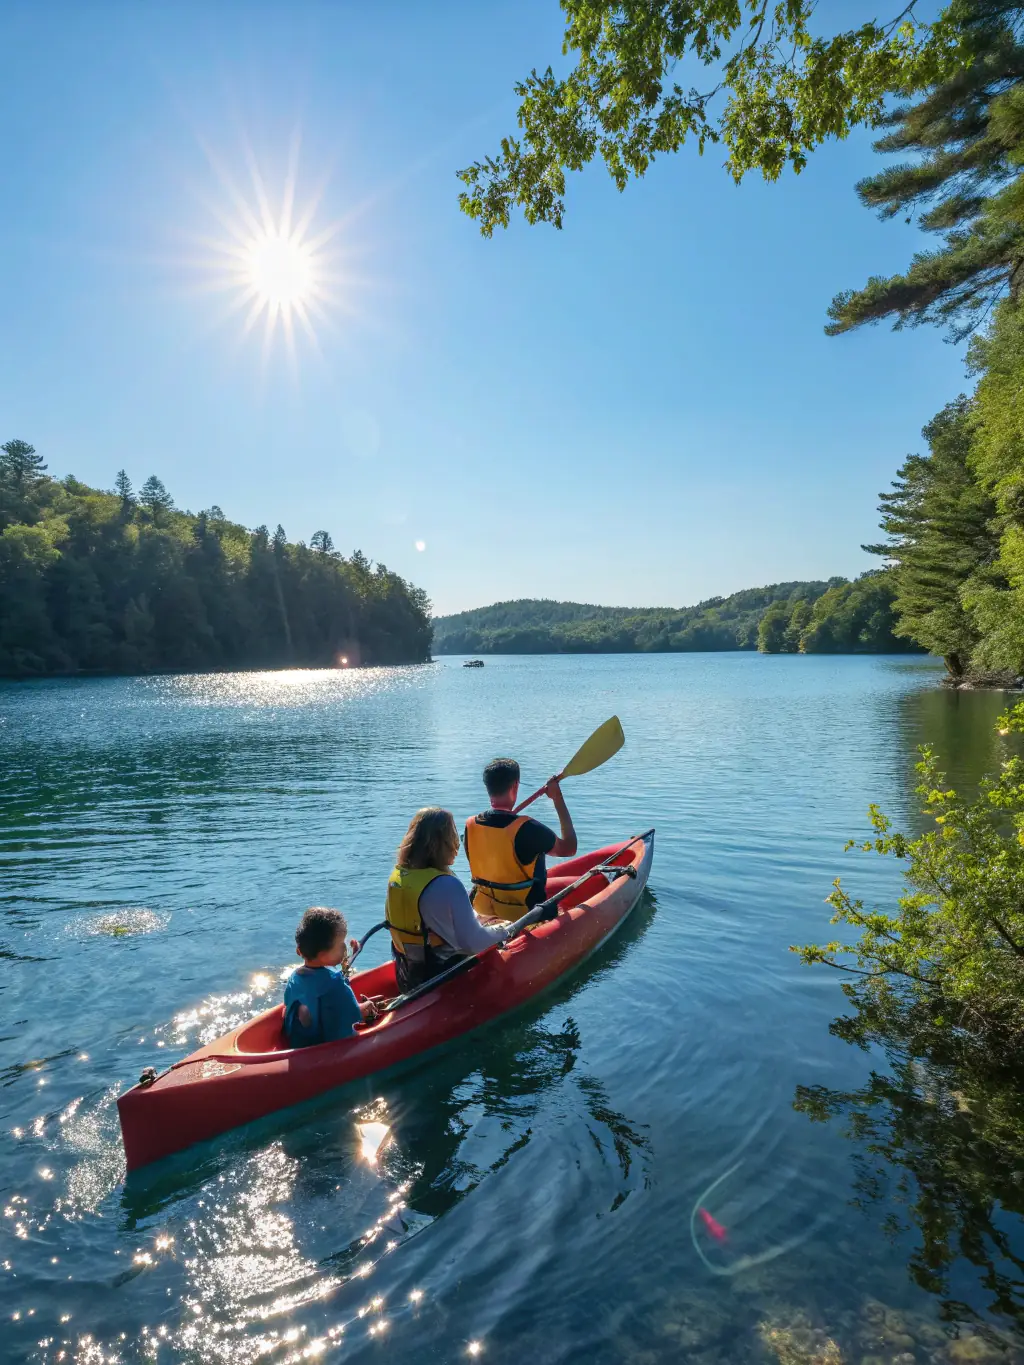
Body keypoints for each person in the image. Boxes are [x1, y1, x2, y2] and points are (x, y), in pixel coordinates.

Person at [386, 806, 508, 992]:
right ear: (442, 843)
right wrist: (505, 931)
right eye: (453, 837)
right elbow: (472, 943)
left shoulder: (398, 877)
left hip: (407, 975)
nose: (456, 845)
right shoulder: (446, 884)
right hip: (444, 976)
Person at [463, 758, 577, 918]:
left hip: (483, 909)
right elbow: (569, 848)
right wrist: (558, 799)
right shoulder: (528, 828)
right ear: (515, 786)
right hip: (524, 915)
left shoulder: (470, 825)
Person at [283, 907, 378, 1048]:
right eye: (341, 944)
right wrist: (366, 1007)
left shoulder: (294, 979)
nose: (344, 947)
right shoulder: (335, 983)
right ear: (322, 955)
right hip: (332, 1046)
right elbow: (355, 1014)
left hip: (304, 1042)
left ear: (299, 951)